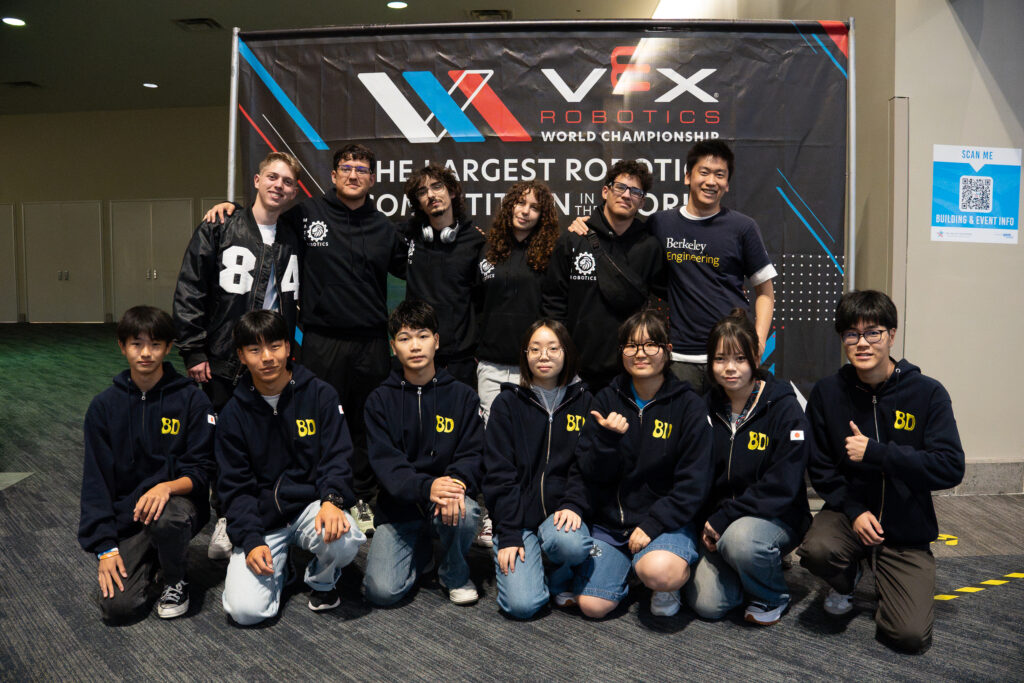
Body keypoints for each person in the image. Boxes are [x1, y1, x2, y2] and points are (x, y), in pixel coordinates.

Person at [205, 143, 409, 537]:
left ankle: (361, 497)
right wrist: (230, 209)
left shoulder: (384, 228)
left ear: (372, 179)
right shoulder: (305, 215)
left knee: (365, 422)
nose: (353, 174)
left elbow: (417, 261)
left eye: (362, 169)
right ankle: (318, 497)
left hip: (370, 343)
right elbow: (263, 216)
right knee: (315, 421)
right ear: (333, 176)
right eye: (346, 167)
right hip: (319, 340)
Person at [797, 290, 964, 653]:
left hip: (905, 527)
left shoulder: (927, 393)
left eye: (873, 332)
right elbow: (820, 468)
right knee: (817, 550)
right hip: (849, 515)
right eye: (851, 334)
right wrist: (855, 511)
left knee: (909, 636)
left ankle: (887, 571)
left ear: (891, 334)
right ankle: (848, 576)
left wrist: (877, 453)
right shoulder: (827, 393)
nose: (862, 343)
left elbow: (950, 467)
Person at [174, 151, 302, 560]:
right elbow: (191, 287)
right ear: (257, 180)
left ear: (294, 191)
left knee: (268, 442)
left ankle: (266, 517)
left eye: (287, 181)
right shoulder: (220, 225)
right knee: (223, 444)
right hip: (224, 358)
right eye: (272, 177)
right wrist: (193, 349)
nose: (279, 185)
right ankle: (227, 518)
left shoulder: (293, 235)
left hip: (273, 360)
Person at [217, 310, 365, 625]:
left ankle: (322, 580)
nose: (267, 357)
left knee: (347, 537)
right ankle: (283, 571)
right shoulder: (232, 415)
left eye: (275, 346)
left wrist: (332, 500)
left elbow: (337, 456)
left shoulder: (320, 395)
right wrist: (251, 539)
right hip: (264, 519)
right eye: (255, 350)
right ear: (241, 356)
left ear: (288, 347)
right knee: (246, 612)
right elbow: (235, 487)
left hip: (311, 507)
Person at [571, 310, 712, 618]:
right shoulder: (605, 399)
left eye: (650, 344)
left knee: (660, 572)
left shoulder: (688, 405)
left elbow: (694, 483)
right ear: (621, 351)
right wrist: (607, 441)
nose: (640, 353)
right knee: (593, 607)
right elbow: (589, 472)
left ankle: (661, 579)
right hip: (612, 524)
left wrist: (653, 524)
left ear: (668, 350)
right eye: (631, 346)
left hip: (664, 524)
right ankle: (631, 571)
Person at [78, 305, 215, 621]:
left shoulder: (192, 400)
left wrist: (166, 487)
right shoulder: (103, 408)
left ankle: (175, 578)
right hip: (129, 517)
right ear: (122, 346)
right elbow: (96, 482)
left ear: (168, 348)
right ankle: (154, 557)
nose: (145, 353)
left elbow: (202, 470)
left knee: (167, 519)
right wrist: (105, 548)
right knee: (118, 609)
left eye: (155, 344)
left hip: (177, 506)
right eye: (136, 344)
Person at [685, 309, 811, 626]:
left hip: (775, 516)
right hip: (719, 522)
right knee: (707, 605)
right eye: (720, 359)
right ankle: (751, 570)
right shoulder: (704, 407)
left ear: (755, 357)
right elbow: (694, 474)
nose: (730, 368)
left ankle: (772, 595)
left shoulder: (783, 406)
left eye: (740, 359)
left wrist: (724, 518)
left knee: (741, 541)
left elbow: (783, 484)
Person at [362, 300, 484, 607]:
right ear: (393, 347)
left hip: (447, 502)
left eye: (423, 336)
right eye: (405, 338)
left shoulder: (463, 396)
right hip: (399, 509)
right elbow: (386, 465)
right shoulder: (379, 400)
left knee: (467, 511)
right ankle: (422, 552)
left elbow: (473, 454)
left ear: (436, 341)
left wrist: (455, 483)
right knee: (381, 593)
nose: (415, 346)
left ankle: (454, 573)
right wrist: (426, 486)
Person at [483, 319, 594, 619]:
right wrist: (508, 533)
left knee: (572, 545)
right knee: (522, 606)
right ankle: (534, 571)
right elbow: (498, 474)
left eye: (553, 348)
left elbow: (586, 466)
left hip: (560, 515)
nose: (543, 356)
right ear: (525, 355)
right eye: (535, 349)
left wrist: (574, 503)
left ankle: (559, 575)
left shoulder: (585, 401)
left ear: (567, 352)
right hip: (517, 519)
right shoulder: (507, 403)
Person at [646, 140, 776, 394]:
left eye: (719, 175)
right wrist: (588, 224)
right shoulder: (660, 223)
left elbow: (765, 292)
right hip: (679, 357)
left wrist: (758, 343)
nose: (711, 181)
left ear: (727, 184)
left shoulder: (743, 227)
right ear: (688, 177)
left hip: (731, 356)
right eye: (704, 172)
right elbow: (621, 239)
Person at [542, 160, 665, 392]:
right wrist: (561, 356)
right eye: (620, 187)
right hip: (576, 371)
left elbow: (661, 304)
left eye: (635, 192)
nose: (626, 195)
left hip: (631, 371)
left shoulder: (650, 247)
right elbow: (554, 302)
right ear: (605, 191)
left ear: (642, 202)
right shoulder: (574, 239)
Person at [475, 181, 560, 419]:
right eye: (521, 203)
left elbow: (555, 307)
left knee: (533, 431)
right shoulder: (486, 249)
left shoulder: (552, 253)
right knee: (493, 431)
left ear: (542, 215)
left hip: (535, 365)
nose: (525, 211)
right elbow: (476, 302)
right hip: (491, 366)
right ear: (510, 205)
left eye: (534, 207)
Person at [401, 163, 487, 389]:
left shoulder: (476, 241)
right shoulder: (408, 235)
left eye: (437, 186)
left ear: (452, 192)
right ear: (418, 202)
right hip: (417, 354)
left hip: (461, 360)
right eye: (422, 191)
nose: (431, 195)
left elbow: (482, 299)